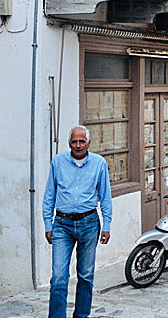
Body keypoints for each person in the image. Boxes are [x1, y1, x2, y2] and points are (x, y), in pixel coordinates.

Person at [43, 125, 112, 318]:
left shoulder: (99, 163)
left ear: (89, 143)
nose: (78, 145)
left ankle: (81, 315)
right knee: (58, 277)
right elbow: (49, 195)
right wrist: (48, 224)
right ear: (69, 143)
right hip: (62, 225)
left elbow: (105, 196)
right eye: (74, 141)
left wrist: (106, 225)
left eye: (82, 141)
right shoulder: (58, 162)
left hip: (89, 223)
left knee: (86, 275)